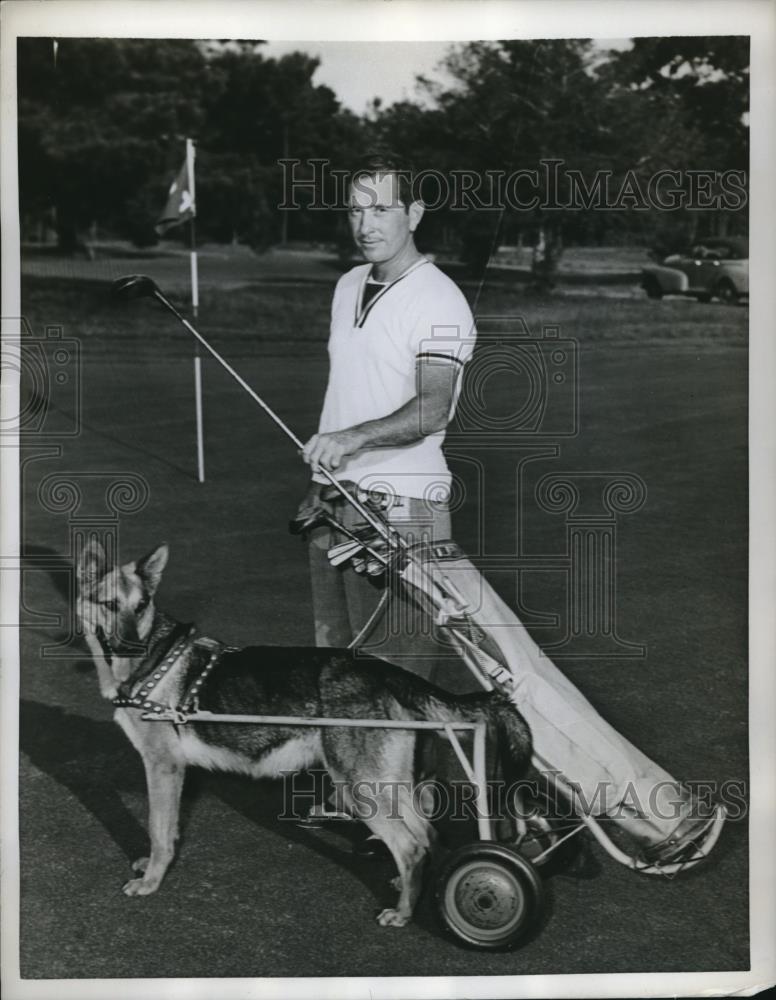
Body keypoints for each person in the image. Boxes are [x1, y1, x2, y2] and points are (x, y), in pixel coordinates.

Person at [297, 153, 476, 688]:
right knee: (335, 670)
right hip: (334, 501)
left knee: (395, 683)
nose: (365, 225)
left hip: (403, 507)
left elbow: (431, 408)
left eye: (381, 209)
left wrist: (348, 440)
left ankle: (408, 776)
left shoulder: (440, 299)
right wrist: (320, 482)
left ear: (414, 214)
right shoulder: (348, 284)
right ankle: (353, 775)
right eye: (355, 210)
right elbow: (349, 393)